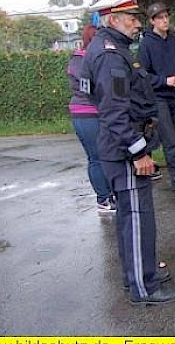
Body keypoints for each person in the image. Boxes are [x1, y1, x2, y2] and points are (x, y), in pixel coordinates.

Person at [81, 0, 175, 305]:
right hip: (124, 151)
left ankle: (138, 274)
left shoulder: (112, 48)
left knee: (130, 217)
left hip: (119, 147)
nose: (138, 24)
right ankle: (144, 286)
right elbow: (114, 110)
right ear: (113, 18)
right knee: (138, 217)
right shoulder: (111, 55)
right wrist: (138, 150)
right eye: (132, 18)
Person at [137, 2, 175, 197]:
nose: (165, 21)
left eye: (166, 17)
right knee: (170, 141)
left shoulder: (173, 40)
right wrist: (165, 80)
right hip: (159, 98)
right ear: (152, 21)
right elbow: (143, 75)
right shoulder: (146, 44)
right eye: (160, 18)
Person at [66, 24, 115, 212]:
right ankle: (103, 199)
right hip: (85, 114)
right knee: (96, 157)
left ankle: (109, 194)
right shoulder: (79, 59)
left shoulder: (97, 57)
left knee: (104, 155)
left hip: (98, 113)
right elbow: (91, 87)